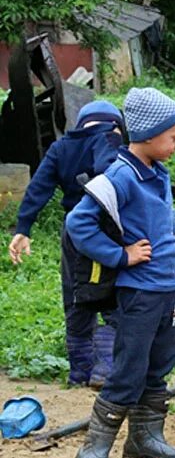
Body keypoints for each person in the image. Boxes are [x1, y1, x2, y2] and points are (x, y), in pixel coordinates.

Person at [66, 87, 175, 458]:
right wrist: (121, 255)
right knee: (129, 367)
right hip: (139, 293)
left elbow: (155, 216)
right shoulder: (120, 174)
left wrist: (171, 240)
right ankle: (96, 447)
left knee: (160, 363)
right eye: (174, 137)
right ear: (149, 135)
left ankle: (145, 439)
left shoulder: (156, 172)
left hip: (166, 289)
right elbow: (78, 223)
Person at [7, 101, 123, 388]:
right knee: (112, 296)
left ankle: (80, 373)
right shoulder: (109, 137)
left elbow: (39, 186)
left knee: (75, 297)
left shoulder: (61, 147)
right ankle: (105, 370)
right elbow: (107, 167)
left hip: (72, 232)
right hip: (103, 230)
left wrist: (24, 227)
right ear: (114, 124)